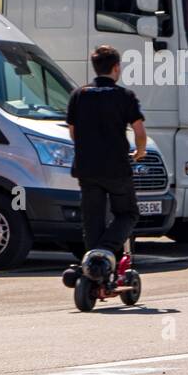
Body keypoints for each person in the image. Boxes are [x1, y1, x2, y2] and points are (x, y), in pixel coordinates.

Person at [65, 45, 146, 268]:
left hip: (86, 168)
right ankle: (106, 251)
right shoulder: (124, 96)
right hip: (116, 168)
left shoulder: (79, 95)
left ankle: (92, 266)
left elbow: (73, 132)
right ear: (116, 68)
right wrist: (140, 151)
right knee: (128, 213)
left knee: (92, 218)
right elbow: (139, 132)